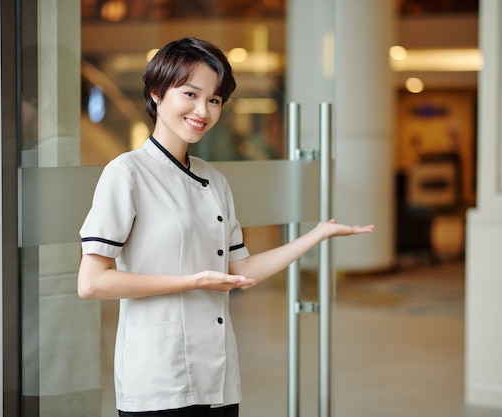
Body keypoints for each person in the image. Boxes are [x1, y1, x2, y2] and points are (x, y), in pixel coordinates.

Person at [77, 37, 374, 417]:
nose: (203, 109)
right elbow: (92, 283)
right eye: (191, 94)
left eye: (214, 99)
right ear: (156, 94)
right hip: (157, 377)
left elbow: (240, 271)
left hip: (217, 375)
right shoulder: (127, 173)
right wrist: (193, 282)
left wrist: (316, 235)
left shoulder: (214, 179)